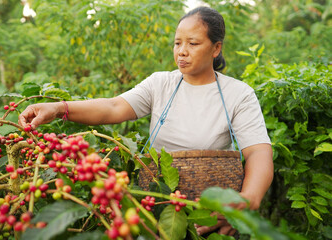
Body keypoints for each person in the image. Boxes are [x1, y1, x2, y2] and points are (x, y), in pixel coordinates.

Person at [18, 6, 273, 237]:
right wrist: (57, 108)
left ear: (216, 48)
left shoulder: (238, 94)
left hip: (212, 216)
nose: (182, 51)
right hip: (158, 208)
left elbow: (258, 151)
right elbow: (113, 107)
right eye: (177, 43)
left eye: (193, 43)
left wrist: (248, 199)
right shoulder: (160, 84)